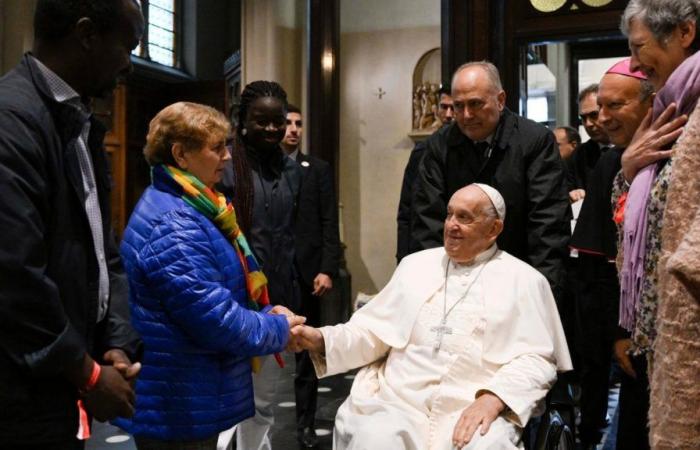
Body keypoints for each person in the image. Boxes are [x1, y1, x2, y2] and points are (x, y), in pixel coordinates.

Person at [291, 184, 572, 450]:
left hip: (473, 402)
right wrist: (320, 338)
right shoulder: (415, 266)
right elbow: (372, 333)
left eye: (465, 217)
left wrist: (494, 399)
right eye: (449, 214)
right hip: (398, 401)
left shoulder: (525, 280)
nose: (451, 225)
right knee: (375, 436)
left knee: (490, 444)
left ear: (494, 228)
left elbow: (537, 359)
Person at [111, 102, 303, 449]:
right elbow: (214, 319)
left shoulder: (195, 204)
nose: (228, 156)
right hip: (179, 403)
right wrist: (277, 328)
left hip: (187, 394)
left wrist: (262, 314)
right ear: (181, 154)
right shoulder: (175, 225)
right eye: (216, 147)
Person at [0, 1, 145, 448]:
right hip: (19, 391)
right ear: (87, 35)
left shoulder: (75, 118)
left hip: (58, 379)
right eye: (128, 46)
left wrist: (114, 343)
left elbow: (104, 251)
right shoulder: (12, 119)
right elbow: (14, 275)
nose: (128, 64)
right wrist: (88, 373)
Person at [410, 61, 570, 301]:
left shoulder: (534, 141)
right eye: (458, 106)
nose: (466, 115)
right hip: (455, 279)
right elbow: (428, 221)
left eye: (475, 104)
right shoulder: (438, 146)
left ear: (500, 100)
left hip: (519, 276)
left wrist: (542, 294)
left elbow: (548, 224)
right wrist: (437, 287)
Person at [619, 1, 700, 447]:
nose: (633, 63)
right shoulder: (670, 105)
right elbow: (633, 210)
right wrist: (629, 168)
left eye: (639, 47)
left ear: (684, 33)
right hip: (663, 324)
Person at [569, 60, 653, 450]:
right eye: (596, 109)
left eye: (612, 107)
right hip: (611, 304)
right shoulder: (609, 159)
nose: (601, 119)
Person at [218, 81, 302, 450]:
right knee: (228, 400)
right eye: (261, 120)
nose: (271, 129)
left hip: (275, 298)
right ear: (242, 121)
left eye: (278, 121)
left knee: (264, 401)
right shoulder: (226, 167)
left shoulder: (291, 169)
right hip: (231, 299)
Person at [280, 104, 340, 448]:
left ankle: (305, 423)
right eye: (288, 123)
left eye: (298, 124)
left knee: (306, 352)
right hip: (275, 272)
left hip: (307, 272)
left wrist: (327, 268)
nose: (293, 129)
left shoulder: (317, 169)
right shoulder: (265, 168)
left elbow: (329, 221)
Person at [396, 85, 454, 262]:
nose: (449, 114)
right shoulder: (422, 151)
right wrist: (403, 259)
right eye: (444, 107)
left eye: (454, 107)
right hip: (426, 248)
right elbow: (406, 210)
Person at [566, 84, 611, 203]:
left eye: (594, 115)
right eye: (583, 118)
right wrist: (571, 195)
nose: (588, 124)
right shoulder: (579, 155)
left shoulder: (632, 146)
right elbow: (566, 190)